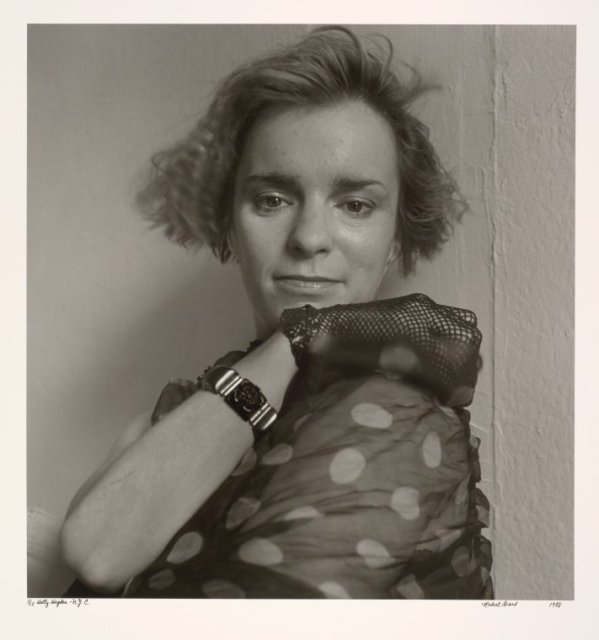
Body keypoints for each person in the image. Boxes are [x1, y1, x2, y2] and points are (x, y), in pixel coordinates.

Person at [60, 26, 493, 599]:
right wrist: (292, 344)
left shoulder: (395, 417)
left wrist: (300, 336)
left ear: (395, 239)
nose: (309, 237)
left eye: (355, 204)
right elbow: (93, 547)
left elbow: (99, 559)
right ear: (228, 226)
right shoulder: (184, 412)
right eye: (273, 199)